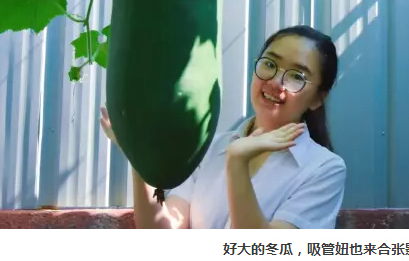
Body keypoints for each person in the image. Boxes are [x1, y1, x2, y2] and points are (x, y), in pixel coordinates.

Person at [100, 25, 346, 229]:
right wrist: (137, 155)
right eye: (270, 64)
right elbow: (160, 233)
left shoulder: (324, 169)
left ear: (318, 98)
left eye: (296, 77)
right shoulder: (210, 147)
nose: (275, 82)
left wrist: (237, 163)